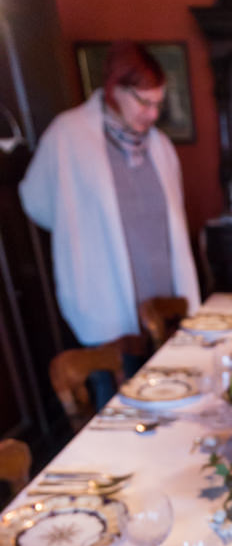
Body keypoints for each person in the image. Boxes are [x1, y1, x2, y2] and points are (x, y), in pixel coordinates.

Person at [19, 40, 200, 349]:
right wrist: (79, 228)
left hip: (168, 302)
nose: (153, 114)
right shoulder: (69, 135)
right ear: (116, 89)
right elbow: (35, 202)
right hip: (106, 301)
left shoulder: (160, 146)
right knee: (118, 377)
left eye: (158, 103)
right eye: (144, 102)